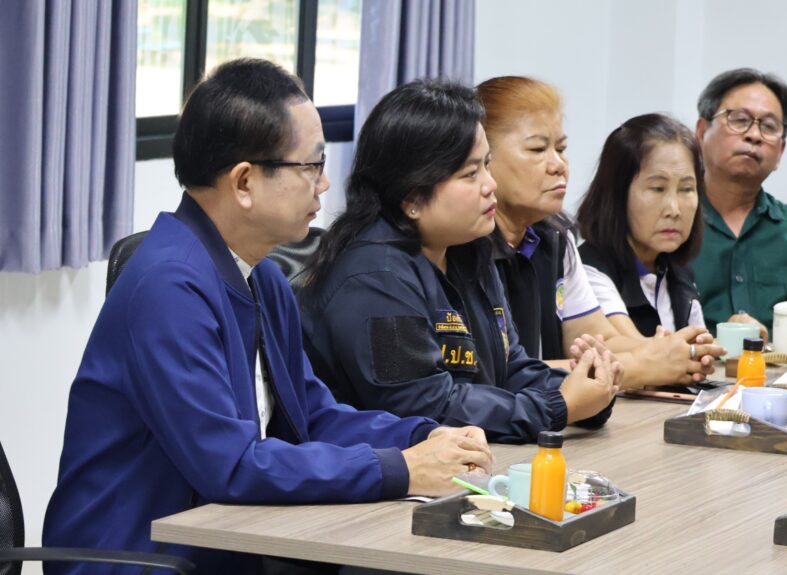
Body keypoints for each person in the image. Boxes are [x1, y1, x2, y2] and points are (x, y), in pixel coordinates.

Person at [42, 59, 493, 574]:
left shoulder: (263, 278)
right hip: (136, 559)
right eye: (312, 166)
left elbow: (312, 417)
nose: (324, 184)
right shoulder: (168, 287)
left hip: (223, 543)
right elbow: (230, 465)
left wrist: (422, 438)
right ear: (244, 182)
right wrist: (401, 469)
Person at [297, 79, 621, 444]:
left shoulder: (469, 249)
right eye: (470, 174)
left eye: (487, 165)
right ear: (412, 196)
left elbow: (510, 368)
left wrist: (588, 388)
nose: (490, 184)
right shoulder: (374, 275)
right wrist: (558, 406)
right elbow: (425, 407)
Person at [477, 76, 723, 389]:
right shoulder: (464, 243)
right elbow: (501, 376)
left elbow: (599, 337)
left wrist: (673, 353)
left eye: (561, 148)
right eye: (538, 149)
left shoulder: (554, 236)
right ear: (483, 157)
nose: (559, 165)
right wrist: (643, 365)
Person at [690, 68, 787, 336]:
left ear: (780, 152)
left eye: (769, 127)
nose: (754, 135)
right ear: (701, 133)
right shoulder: (672, 221)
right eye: (739, 120)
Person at [576, 113, 706, 338]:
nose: (674, 209)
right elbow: (635, 350)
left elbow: (699, 349)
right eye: (657, 189)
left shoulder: (678, 272)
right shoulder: (588, 271)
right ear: (617, 193)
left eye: (686, 189)